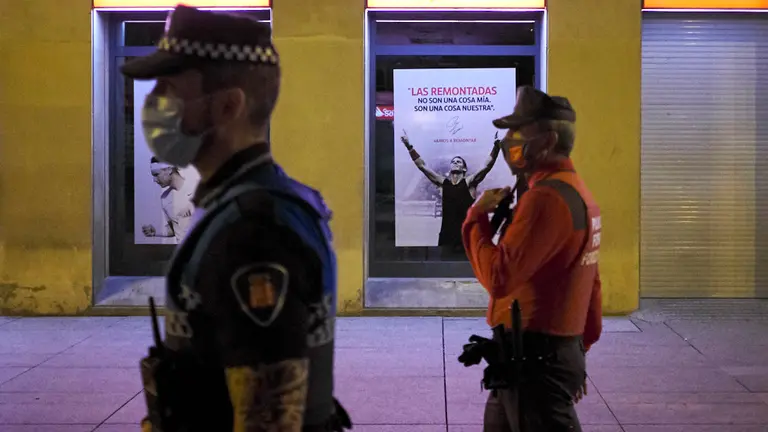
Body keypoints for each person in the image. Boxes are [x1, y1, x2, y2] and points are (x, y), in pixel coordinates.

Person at [122, 5, 350, 432]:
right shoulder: (245, 204)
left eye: (169, 89)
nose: (154, 103)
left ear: (228, 106)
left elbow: (269, 421)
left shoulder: (253, 232)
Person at [461, 86, 603, 432]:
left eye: (518, 132)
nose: (508, 141)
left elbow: (499, 277)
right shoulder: (575, 191)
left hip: (536, 363)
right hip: (537, 358)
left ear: (547, 141)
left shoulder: (546, 200)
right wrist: (574, 353)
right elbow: (591, 284)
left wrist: (476, 218)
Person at [401, 130, 500, 255]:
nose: (454, 163)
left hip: (467, 237)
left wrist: (496, 148)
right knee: (444, 269)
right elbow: (422, 166)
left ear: (464, 168)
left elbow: (486, 166)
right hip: (446, 236)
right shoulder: (443, 183)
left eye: (458, 162)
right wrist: (409, 147)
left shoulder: (469, 182)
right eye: (453, 161)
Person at [142, 157, 194, 242]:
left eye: (156, 174)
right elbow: (174, 229)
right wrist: (156, 231)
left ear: (169, 170)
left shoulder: (196, 189)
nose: (154, 180)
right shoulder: (165, 198)